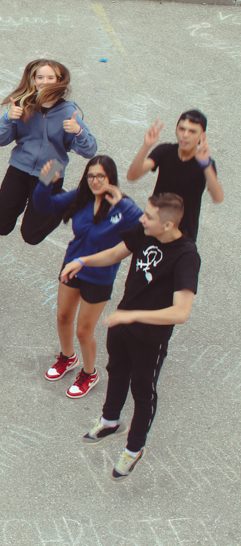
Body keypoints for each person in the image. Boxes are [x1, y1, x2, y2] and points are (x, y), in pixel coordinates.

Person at [63, 193, 199, 481]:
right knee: (116, 371)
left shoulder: (186, 256)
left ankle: (134, 448)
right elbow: (115, 254)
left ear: (168, 224)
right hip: (122, 323)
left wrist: (132, 316)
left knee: (143, 391)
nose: (141, 219)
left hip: (149, 335)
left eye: (149, 217)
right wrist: (83, 261)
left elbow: (180, 312)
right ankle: (110, 421)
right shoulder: (144, 231)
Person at [34, 156, 142, 398]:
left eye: (100, 176)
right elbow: (43, 206)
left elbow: (144, 224)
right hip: (72, 267)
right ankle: (67, 357)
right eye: (91, 176)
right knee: (63, 316)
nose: (95, 181)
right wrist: (45, 181)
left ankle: (90, 372)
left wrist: (122, 203)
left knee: (84, 331)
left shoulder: (122, 207)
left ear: (111, 179)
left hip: (99, 276)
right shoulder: (80, 197)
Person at [0, 59, 97, 245]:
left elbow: (90, 150)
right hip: (20, 166)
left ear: (59, 80)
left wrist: (78, 131)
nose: (44, 81)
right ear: (33, 79)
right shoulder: (23, 105)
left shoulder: (69, 112)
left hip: (51, 170)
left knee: (32, 236)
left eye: (50, 77)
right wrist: (8, 117)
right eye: (40, 77)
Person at [125, 111, 224, 239]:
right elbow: (132, 176)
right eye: (182, 129)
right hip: (154, 225)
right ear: (176, 129)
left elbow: (218, 198)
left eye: (192, 131)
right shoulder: (165, 151)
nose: (185, 135)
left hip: (183, 233)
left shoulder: (206, 164)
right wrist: (146, 146)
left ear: (202, 135)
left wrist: (206, 164)